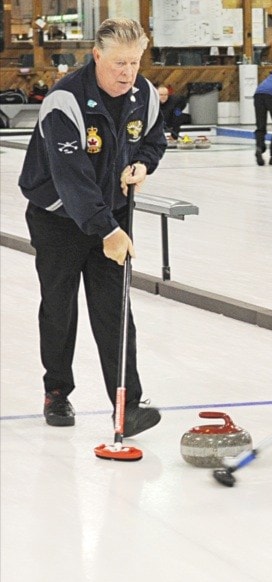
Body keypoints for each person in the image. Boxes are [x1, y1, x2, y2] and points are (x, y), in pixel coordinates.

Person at [18, 18, 166, 435]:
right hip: (58, 218)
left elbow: (156, 138)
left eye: (135, 62)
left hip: (109, 215)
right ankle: (57, 392)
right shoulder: (64, 101)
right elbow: (72, 178)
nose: (128, 72)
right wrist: (108, 231)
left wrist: (143, 164)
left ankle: (127, 405)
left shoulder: (144, 95)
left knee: (115, 311)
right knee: (60, 307)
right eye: (119, 62)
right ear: (97, 56)